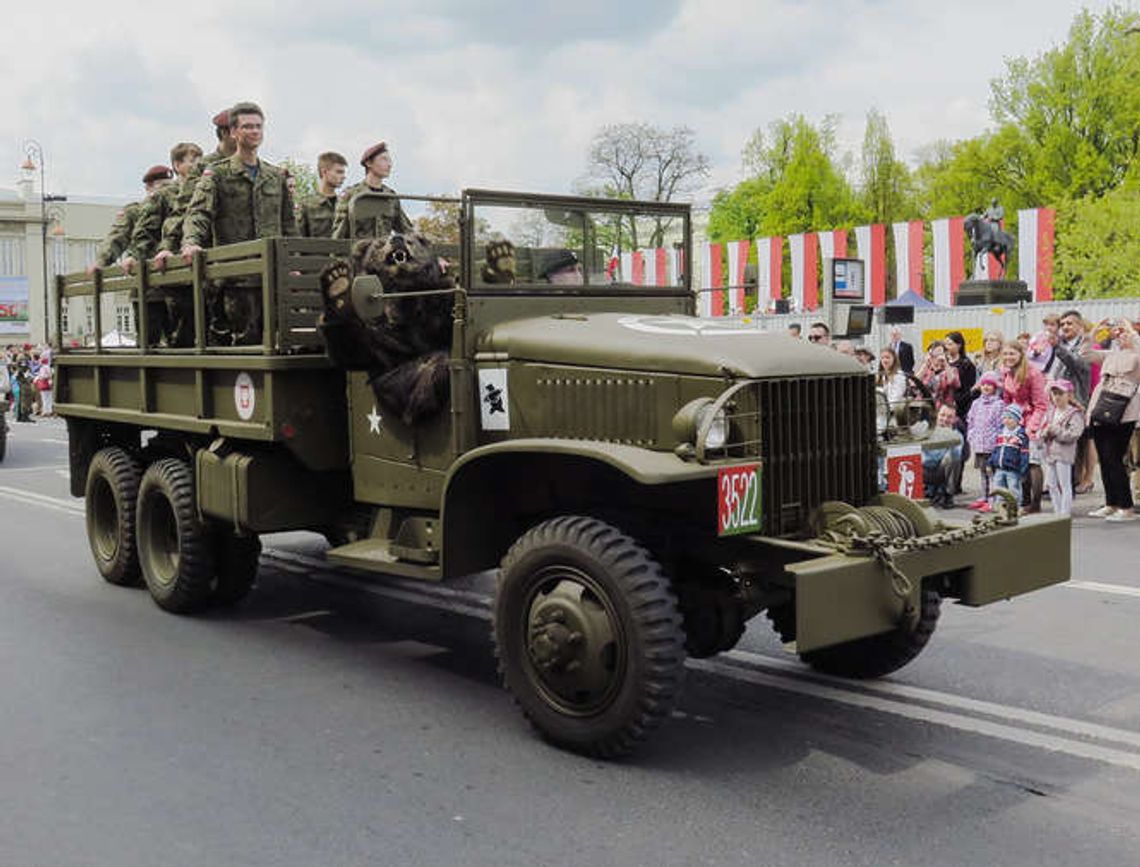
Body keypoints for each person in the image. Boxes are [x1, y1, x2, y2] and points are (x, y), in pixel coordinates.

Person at [181, 101, 297, 345]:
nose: (254, 131)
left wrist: (293, 260)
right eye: (247, 127)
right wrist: (191, 243)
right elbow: (198, 213)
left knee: (278, 343)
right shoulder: (218, 174)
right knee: (243, 348)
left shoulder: (275, 177)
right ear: (233, 132)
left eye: (258, 126)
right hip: (235, 281)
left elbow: (288, 225)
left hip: (272, 279)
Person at [1081, 319, 1140, 521]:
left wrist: (1132, 332)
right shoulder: (1111, 355)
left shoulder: (1136, 354)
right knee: (1105, 460)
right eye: (1118, 332)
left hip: (1124, 412)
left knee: (1115, 459)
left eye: (1124, 332)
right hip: (1100, 408)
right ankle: (1111, 503)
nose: (1120, 335)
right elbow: (1086, 354)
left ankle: (1126, 506)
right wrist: (1095, 330)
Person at [87, 166, 174, 274]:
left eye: (171, 186)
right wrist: (101, 261)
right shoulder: (135, 212)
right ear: (148, 188)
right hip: (147, 272)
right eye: (163, 186)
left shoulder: (179, 206)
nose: (168, 191)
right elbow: (117, 237)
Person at [1000, 339, 1048, 512]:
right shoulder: (1006, 372)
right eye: (1005, 354)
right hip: (1015, 421)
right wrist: (1007, 419)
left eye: (1012, 353)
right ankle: (1024, 501)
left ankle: (1035, 504)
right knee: (1018, 462)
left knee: (1033, 462)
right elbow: (1007, 399)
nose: (1008, 357)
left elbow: (1041, 404)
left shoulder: (1033, 373)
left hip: (1033, 419)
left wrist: (1031, 427)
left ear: (1021, 354)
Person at [331, 141, 414, 240]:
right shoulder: (351, 195)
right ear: (369, 163)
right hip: (359, 253)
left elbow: (407, 230)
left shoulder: (391, 197)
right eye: (384, 159)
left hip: (383, 252)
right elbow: (339, 234)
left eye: (389, 160)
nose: (389, 164)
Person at [1053, 309, 1094, 492]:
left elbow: (1079, 364)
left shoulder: (1084, 345)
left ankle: (1068, 491)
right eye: (1062, 324)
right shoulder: (1062, 344)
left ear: (1080, 325)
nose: (1065, 327)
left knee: (1072, 449)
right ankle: (1060, 486)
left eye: (1069, 323)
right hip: (1058, 404)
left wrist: (1057, 348)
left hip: (1076, 402)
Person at [1041, 379, 1084, 517]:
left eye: (1061, 393)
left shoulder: (1074, 414)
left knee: (1064, 484)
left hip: (1064, 454)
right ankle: (1057, 511)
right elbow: (1043, 427)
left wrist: (1055, 431)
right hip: (1050, 453)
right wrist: (1043, 433)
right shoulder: (1051, 412)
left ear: (1069, 395)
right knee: (1052, 484)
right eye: (1054, 394)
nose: (1057, 397)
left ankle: (1065, 513)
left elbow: (1074, 434)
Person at [966, 371, 1006, 511]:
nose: (986, 387)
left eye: (990, 384)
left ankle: (992, 499)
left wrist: (998, 441)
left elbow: (1001, 425)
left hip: (991, 445)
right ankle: (984, 495)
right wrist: (971, 436)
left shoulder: (999, 404)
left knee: (992, 473)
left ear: (995, 387)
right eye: (984, 384)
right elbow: (970, 421)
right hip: (979, 445)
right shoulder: (976, 403)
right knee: (982, 472)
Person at [923, 404, 964, 509]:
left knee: (954, 458)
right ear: (937, 415)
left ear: (954, 419)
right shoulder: (925, 429)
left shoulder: (957, 435)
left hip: (941, 470)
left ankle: (947, 494)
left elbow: (956, 457)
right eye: (942, 415)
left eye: (949, 417)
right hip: (923, 467)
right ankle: (928, 491)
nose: (945, 419)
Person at [299, 152, 348, 238]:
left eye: (343, 173)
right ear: (324, 172)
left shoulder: (345, 204)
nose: (344, 176)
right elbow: (297, 240)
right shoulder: (306, 205)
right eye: (339, 172)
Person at [989, 404, 1029, 507]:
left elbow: (1024, 454)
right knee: (998, 489)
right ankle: (1000, 508)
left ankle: (1015, 507)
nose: (1007, 420)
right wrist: (990, 463)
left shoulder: (1020, 436)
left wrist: (1023, 469)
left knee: (1014, 490)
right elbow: (995, 450)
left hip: (1013, 470)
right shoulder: (1001, 433)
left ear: (1017, 420)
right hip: (999, 468)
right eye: (1005, 418)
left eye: (1010, 418)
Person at [943, 330, 977, 420]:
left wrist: (958, 402)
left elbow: (968, 388)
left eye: (950, 344)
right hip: (943, 403)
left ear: (959, 345)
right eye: (945, 344)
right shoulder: (942, 362)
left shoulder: (966, 364)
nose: (946, 347)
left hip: (960, 405)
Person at [917, 341, 960, 412]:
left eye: (940, 353)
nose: (937, 356)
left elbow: (953, 382)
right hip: (924, 407)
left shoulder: (952, 370)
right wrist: (925, 364)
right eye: (934, 354)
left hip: (943, 409)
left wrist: (945, 363)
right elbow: (914, 383)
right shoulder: (926, 370)